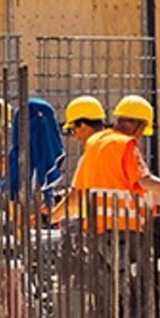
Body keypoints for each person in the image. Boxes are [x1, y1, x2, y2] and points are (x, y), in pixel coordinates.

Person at [68, 94, 160, 231]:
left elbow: (138, 191)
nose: (140, 136)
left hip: (94, 229)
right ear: (139, 126)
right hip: (124, 229)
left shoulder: (94, 143)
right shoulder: (125, 144)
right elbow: (145, 181)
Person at [49, 95, 106, 224]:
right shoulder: (113, 145)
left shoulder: (92, 152)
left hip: (101, 228)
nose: (76, 137)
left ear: (83, 125)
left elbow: (76, 199)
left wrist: (49, 218)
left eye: (74, 130)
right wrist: (60, 197)